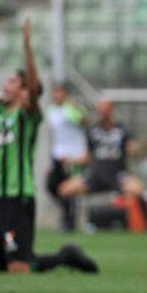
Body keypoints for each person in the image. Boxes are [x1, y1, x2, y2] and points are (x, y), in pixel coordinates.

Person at [0, 17, 97, 274]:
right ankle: (62, 256)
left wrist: (27, 48)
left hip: (19, 196)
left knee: (20, 266)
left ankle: (64, 257)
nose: (5, 84)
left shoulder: (29, 115)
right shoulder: (4, 110)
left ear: (24, 90)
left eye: (12, 82)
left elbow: (35, 90)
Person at [55, 99, 147, 232]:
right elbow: (87, 157)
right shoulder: (93, 130)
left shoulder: (122, 130)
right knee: (64, 190)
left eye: (105, 109)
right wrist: (72, 160)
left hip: (117, 175)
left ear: (111, 110)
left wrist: (145, 143)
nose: (102, 112)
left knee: (139, 190)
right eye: (100, 109)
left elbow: (133, 151)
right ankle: (69, 224)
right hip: (95, 175)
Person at [43, 82, 88, 232]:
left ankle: (69, 222)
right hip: (58, 155)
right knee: (51, 186)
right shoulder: (51, 110)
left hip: (73, 156)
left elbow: (85, 122)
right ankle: (67, 216)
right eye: (55, 92)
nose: (57, 95)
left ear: (66, 94)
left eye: (60, 92)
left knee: (70, 189)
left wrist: (75, 108)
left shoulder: (71, 109)